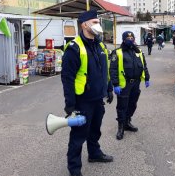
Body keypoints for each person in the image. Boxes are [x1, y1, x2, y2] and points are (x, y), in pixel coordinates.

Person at [61, 10, 114, 176]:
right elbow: (67, 78)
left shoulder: (100, 46)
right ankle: (74, 169)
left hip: (98, 99)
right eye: (94, 22)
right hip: (82, 100)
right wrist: (70, 103)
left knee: (95, 130)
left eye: (98, 22)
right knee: (78, 136)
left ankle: (94, 154)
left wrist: (109, 88)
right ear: (84, 24)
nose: (97, 25)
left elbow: (105, 71)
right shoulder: (74, 48)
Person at [109, 31, 150, 140]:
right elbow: (112, 69)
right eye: (128, 38)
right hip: (124, 85)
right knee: (122, 107)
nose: (130, 39)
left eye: (132, 38)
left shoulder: (139, 51)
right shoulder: (117, 52)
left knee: (133, 105)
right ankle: (121, 127)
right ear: (123, 39)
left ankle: (127, 122)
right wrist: (115, 84)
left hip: (136, 84)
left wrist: (147, 78)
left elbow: (144, 65)